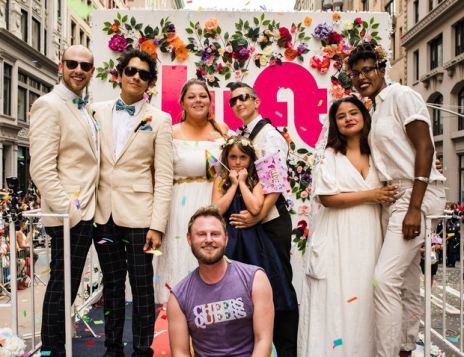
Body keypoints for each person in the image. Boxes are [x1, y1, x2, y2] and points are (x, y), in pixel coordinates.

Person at [347, 43, 446, 357]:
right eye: (356, 73)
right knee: (404, 281)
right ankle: (405, 347)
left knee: (383, 280)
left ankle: (387, 353)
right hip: (393, 198)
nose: (362, 77)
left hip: (416, 195)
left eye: (368, 70)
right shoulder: (373, 110)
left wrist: (414, 207)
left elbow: (425, 149)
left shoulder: (402, 96)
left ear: (381, 68)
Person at [297, 96, 397, 356]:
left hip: (370, 236)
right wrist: (371, 195)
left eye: (354, 113)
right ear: (335, 123)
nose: (348, 119)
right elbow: (327, 198)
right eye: (341, 116)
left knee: (366, 299)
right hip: (337, 236)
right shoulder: (329, 155)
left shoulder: (378, 153)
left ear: (364, 117)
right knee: (336, 300)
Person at [91, 49, 173, 357]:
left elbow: (164, 177)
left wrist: (158, 225)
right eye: (131, 71)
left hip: (143, 221)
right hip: (103, 215)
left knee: (142, 287)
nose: (136, 77)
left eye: (144, 74)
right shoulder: (95, 111)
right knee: (111, 286)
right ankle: (112, 349)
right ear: (120, 74)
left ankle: (142, 349)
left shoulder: (161, 120)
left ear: (150, 82)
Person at [29, 44, 98, 356]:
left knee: (65, 286)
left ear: (91, 71)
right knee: (62, 286)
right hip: (70, 216)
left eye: (85, 66)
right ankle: (53, 351)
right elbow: (41, 169)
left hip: (82, 213)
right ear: (61, 65)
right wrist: (71, 211)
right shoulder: (49, 104)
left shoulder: (81, 106)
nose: (78, 70)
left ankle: (53, 349)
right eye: (72, 64)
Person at [227, 82, 298, 356]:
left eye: (244, 97)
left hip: (270, 221)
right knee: (251, 287)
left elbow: (275, 182)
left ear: (256, 101)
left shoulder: (269, 135)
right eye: (233, 100)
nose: (239, 103)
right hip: (251, 219)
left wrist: (257, 217)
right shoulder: (240, 134)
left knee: (278, 285)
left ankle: (287, 349)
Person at [154, 78, 229, 304]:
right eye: (192, 96)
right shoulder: (170, 132)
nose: (198, 100)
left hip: (212, 201)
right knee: (180, 256)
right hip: (178, 204)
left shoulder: (223, 132)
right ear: (182, 103)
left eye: (203, 96)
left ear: (210, 101)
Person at [167, 206, 274, 357]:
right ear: (189, 239)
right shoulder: (178, 297)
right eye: (201, 234)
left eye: (215, 234)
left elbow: (263, 340)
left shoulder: (255, 278)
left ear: (226, 238)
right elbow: (180, 352)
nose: (209, 239)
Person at [212, 135, 295, 312]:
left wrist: (242, 183)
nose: (238, 162)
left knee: (256, 279)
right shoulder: (220, 180)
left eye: (243, 157)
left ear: (250, 160)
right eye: (233, 157)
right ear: (226, 158)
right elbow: (217, 209)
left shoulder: (257, 181)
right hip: (229, 240)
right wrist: (233, 185)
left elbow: (256, 208)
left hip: (253, 240)